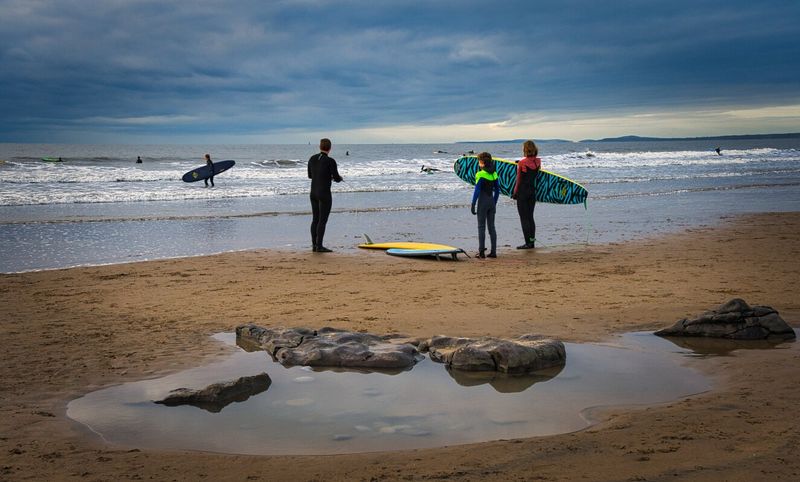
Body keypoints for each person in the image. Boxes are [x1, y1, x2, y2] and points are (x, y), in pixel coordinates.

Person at [308, 138, 343, 252]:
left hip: (313, 192)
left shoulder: (312, 158)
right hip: (324, 194)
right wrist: (338, 178)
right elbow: (336, 178)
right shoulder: (330, 161)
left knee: (315, 219)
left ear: (320, 147)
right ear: (330, 148)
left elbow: (310, 176)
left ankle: (314, 245)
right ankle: (319, 246)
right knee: (322, 221)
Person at [512, 140, 541, 249]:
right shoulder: (538, 161)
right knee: (530, 217)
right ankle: (532, 242)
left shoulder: (522, 163)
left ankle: (527, 243)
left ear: (525, 149)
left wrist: (515, 193)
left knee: (524, 218)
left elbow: (518, 179)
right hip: (532, 192)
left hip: (523, 192)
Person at [471, 152, 499, 258]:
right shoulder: (494, 174)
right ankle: (493, 252)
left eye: (479, 162)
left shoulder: (480, 174)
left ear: (482, 163)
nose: (478, 164)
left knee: (481, 227)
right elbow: (497, 191)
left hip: (482, 203)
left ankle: (481, 252)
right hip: (491, 202)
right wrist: (494, 203)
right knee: (492, 227)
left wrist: (473, 203)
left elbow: (477, 191)